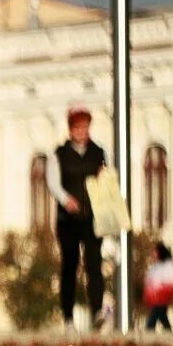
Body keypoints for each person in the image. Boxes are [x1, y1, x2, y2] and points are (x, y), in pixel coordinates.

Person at [46, 106, 107, 331]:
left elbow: (105, 178)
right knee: (70, 265)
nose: (82, 131)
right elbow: (52, 182)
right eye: (78, 127)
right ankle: (68, 317)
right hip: (68, 220)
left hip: (92, 217)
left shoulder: (98, 152)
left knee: (94, 263)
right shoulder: (59, 154)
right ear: (71, 130)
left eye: (85, 127)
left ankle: (98, 311)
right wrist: (65, 200)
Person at [143, 241, 173, 332]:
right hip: (155, 294)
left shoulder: (167, 265)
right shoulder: (155, 266)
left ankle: (149, 331)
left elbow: (167, 279)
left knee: (156, 314)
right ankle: (168, 331)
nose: (153, 254)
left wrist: (158, 287)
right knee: (161, 315)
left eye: (155, 251)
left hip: (163, 293)